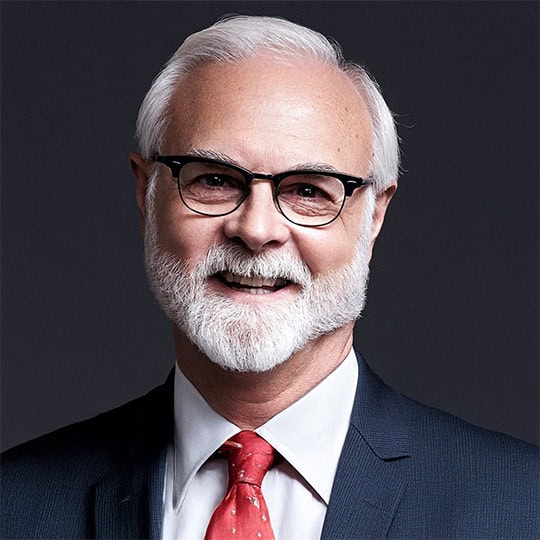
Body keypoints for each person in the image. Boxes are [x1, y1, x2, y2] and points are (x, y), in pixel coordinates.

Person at [1, 14, 537, 540]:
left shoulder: (521, 508)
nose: (256, 229)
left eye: (308, 190)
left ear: (373, 216)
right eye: (214, 180)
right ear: (147, 194)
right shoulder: (16, 506)